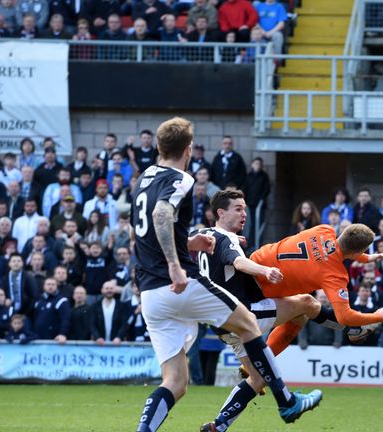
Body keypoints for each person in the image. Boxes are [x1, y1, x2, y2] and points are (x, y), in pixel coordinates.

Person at [132, 117, 321, 432]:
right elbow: (161, 214)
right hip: (181, 283)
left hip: (150, 294)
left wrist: (189, 242)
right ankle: (287, 401)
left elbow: (141, 231)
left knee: (175, 382)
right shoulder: (181, 178)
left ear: (158, 146)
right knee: (248, 324)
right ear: (189, 149)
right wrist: (176, 265)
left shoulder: (143, 180)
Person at [201, 222, 383, 432]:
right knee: (307, 304)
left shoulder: (324, 230)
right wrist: (376, 315)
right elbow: (344, 315)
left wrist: (366, 258)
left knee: (262, 372)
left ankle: (219, 425)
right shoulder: (335, 274)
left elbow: (340, 248)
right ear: (358, 250)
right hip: (258, 288)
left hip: (254, 266)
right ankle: (353, 332)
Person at [198, 188, 341, 431]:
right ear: (220, 213)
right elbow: (238, 261)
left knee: (257, 378)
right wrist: (264, 271)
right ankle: (347, 327)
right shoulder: (226, 239)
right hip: (242, 314)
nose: (244, 214)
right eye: (238, 209)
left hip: (220, 323)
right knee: (305, 303)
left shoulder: (200, 235)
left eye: (245, 208)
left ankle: (219, 425)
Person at [33, 277, 71, 343]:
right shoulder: (38, 300)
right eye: (48, 284)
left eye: (53, 284)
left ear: (56, 286)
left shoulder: (61, 300)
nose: (51, 286)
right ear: (44, 286)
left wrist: (62, 334)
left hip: (54, 339)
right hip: (38, 337)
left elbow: (66, 319)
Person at [243, 157, 270, 247]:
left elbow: (266, 189)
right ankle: (250, 245)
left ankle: (258, 244)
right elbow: (245, 189)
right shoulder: (248, 176)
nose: (257, 166)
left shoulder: (264, 176)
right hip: (249, 205)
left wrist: (261, 199)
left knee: (259, 226)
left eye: (259, 164)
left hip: (259, 206)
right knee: (250, 226)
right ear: (252, 165)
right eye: (255, 163)